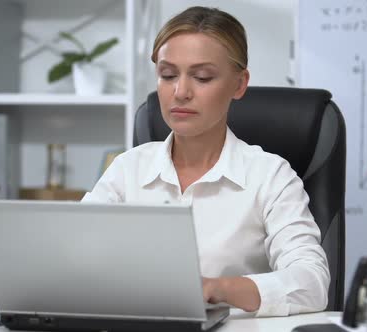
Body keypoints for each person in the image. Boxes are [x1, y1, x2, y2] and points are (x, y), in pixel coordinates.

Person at [82, 6, 329, 317]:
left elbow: (312, 282)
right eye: (167, 75)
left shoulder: (270, 176)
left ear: (239, 84)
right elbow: (75, 255)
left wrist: (215, 289)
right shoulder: (127, 169)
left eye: (202, 77)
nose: (180, 92)